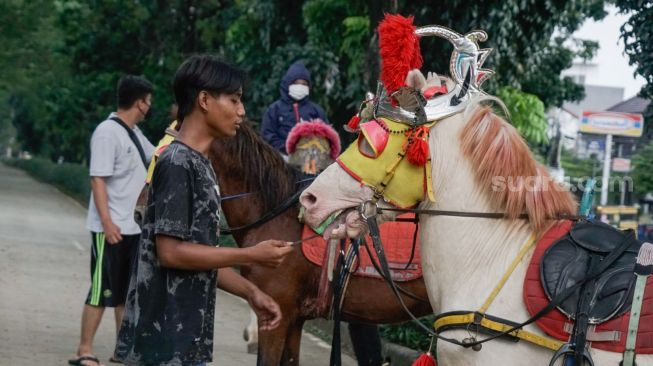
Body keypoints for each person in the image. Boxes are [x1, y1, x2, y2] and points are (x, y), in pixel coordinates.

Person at [114, 54, 294, 366]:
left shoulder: (200, 165)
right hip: (162, 344)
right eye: (235, 100)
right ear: (205, 100)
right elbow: (171, 253)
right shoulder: (176, 163)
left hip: (185, 342)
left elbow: (200, 255)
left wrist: (251, 292)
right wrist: (252, 255)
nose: (242, 111)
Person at [69, 75, 156, 366]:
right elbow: (98, 180)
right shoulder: (107, 132)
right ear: (139, 102)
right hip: (111, 228)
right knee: (99, 291)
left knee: (124, 295)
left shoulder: (134, 133)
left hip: (132, 227)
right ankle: (84, 350)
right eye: (148, 102)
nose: (149, 107)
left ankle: (123, 350)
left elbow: (157, 156)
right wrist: (107, 223)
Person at [260, 61, 329, 156]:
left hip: (311, 160)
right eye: (296, 83)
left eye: (304, 84)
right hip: (280, 159)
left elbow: (327, 135)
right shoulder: (274, 109)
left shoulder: (316, 111)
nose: (300, 87)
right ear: (287, 84)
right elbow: (267, 134)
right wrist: (287, 147)